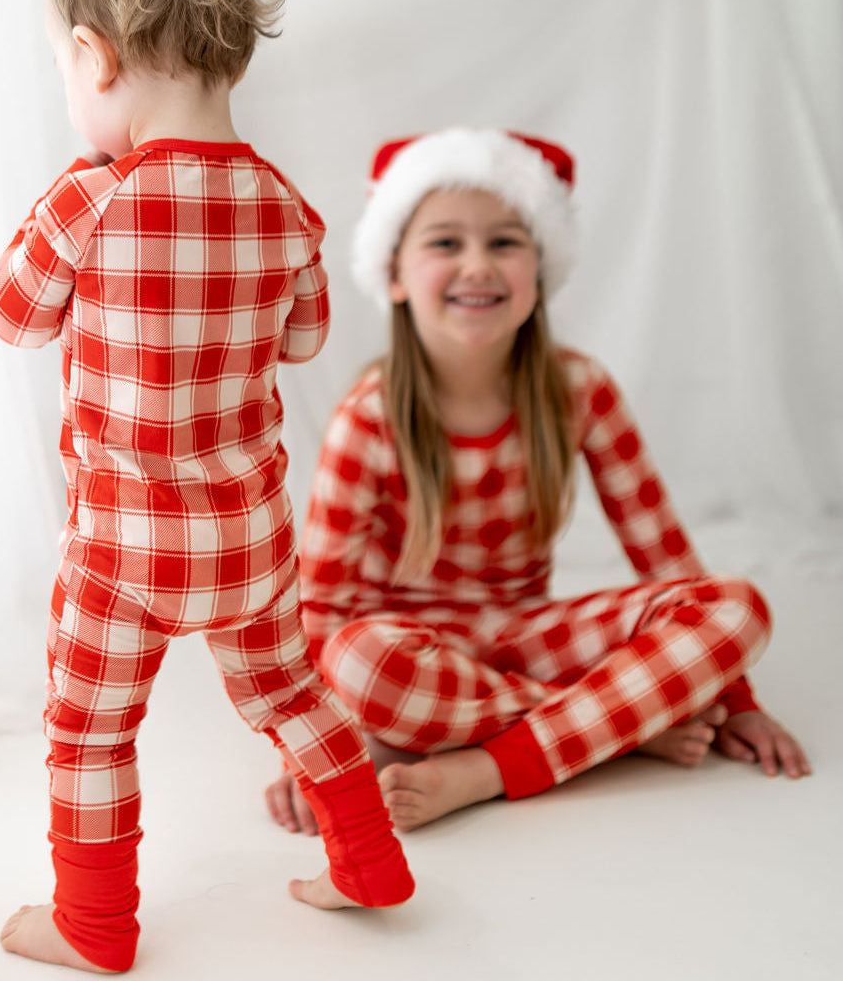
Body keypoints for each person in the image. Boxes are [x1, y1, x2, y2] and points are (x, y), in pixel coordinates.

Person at [0, 0, 413, 972]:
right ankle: (366, 858)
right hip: (248, 541)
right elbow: (304, 341)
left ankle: (93, 922)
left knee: (88, 729)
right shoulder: (284, 207)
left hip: (119, 549)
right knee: (291, 695)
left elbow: (10, 318)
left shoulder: (89, 199)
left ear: (92, 59)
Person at [266, 126, 811, 839]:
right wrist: (313, 751)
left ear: (541, 268)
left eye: (505, 241)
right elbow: (322, 614)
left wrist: (732, 697)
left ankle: (484, 769)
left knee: (737, 609)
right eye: (444, 243)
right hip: (402, 651)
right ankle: (623, 725)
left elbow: (667, 562)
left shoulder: (580, 390)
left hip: (526, 634)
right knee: (360, 664)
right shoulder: (369, 418)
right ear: (394, 274)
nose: (477, 266)